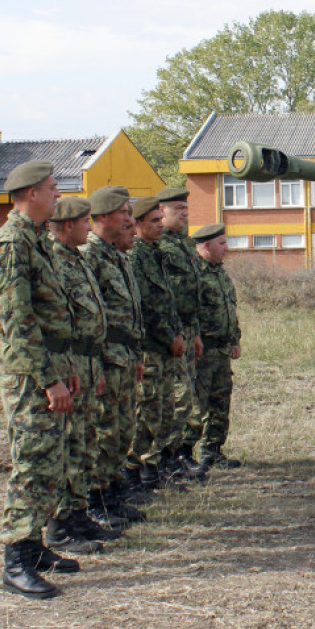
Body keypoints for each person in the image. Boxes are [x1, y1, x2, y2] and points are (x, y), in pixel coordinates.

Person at [0, 160, 79, 599]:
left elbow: (53, 316)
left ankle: (35, 546)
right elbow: (18, 322)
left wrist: (65, 370)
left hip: (48, 368)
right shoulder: (11, 245)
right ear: (32, 194)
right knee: (31, 465)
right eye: (54, 188)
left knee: (51, 461)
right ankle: (15, 562)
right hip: (28, 375)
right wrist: (48, 381)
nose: (59, 194)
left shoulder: (34, 240)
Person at [44, 197, 116, 553]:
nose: (90, 226)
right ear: (68, 225)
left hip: (86, 363)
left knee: (85, 443)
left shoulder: (77, 258)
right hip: (67, 365)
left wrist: (97, 365)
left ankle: (78, 514)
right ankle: (59, 525)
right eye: (85, 221)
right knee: (68, 445)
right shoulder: (55, 260)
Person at [80, 185, 147, 521]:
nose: (128, 220)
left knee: (122, 428)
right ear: (103, 215)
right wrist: (98, 365)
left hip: (124, 355)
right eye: (123, 213)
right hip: (106, 357)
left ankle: (112, 492)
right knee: (106, 429)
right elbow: (90, 317)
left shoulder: (115, 255)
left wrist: (135, 356)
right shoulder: (89, 255)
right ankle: (97, 501)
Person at [127, 197, 185, 488]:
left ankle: (157, 465)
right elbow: (146, 306)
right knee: (147, 409)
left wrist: (178, 334)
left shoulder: (155, 253)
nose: (161, 225)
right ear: (136, 224)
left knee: (164, 407)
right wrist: (168, 335)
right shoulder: (135, 257)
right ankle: (140, 469)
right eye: (154, 220)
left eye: (161, 219)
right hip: (150, 346)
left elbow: (167, 301)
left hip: (165, 346)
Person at [156, 187, 205, 479]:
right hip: (167, 333)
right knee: (176, 398)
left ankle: (179, 454)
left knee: (187, 398)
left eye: (185, 208)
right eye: (177, 208)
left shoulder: (185, 244)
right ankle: (165, 459)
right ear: (162, 211)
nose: (185, 213)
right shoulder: (158, 246)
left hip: (186, 330)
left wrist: (195, 332)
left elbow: (191, 293)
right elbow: (163, 296)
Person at [192, 224, 242, 469]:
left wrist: (235, 339)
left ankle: (213, 451)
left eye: (226, 242)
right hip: (203, 351)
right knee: (196, 405)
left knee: (221, 403)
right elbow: (189, 311)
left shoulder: (220, 273)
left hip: (222, 349)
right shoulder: (195, 273)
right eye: (221, 243)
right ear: (205, 246)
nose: (226, 248)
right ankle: (185, 455)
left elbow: (230, 308)